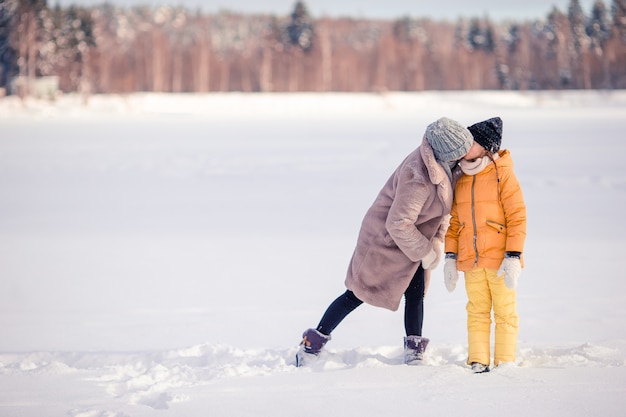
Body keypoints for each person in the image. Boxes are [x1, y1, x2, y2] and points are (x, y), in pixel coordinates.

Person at [297, 117, 474, 366]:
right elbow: (398, 223)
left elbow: (442, 211)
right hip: (385, 244)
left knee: (415, 294)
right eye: (461, 152)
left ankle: (414, 350)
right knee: (357, 292)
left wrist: (435, 240)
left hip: (412, 243)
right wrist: (424, 251)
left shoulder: (445, 166)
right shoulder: (418, 175)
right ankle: (311, 344)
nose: (466, 155)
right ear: (446, 152)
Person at [442, 116, 527, 373]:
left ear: (485, 147)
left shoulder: (503, 175)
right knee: (477, 312)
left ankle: (505, 362)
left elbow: (517, 217)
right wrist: (450, 257)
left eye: (471, 142)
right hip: (471, 261)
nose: (465, 146)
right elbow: (454, 223)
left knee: (505, 312)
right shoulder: (461, 177)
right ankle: (478, 360)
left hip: (500, 261)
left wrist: (513, 256)